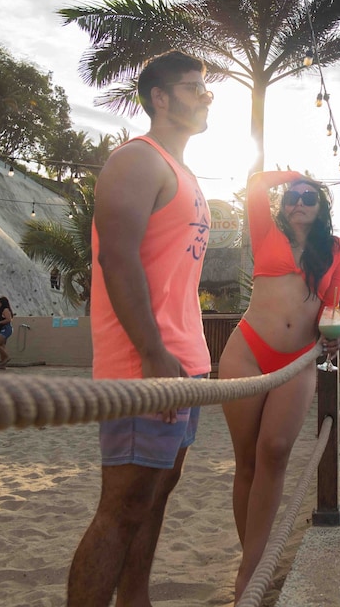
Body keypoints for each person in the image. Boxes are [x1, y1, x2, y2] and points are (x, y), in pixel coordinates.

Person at [68, 50, 213, 606]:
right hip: (144, 364)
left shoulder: (185, 172)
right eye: (193, 87)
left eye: (207, 89)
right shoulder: (137, 160)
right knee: (123, 506)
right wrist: (151, 350)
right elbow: (117, 260)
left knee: (155, 497)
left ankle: (136, 599)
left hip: (186, 363)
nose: (204, 96)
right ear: (159, 97)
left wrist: (182, 356)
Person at [218, 171, 340, 600]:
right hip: (248, 350)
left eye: (309, 196)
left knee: (273, 451)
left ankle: (250, 570)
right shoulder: (265, 232)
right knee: (247, 462)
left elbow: (333, 304)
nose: (300, 201)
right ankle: (250, 566)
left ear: (321, 206)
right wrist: (292, 174)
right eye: (294, 195)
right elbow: (254, 182)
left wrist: (335, 337)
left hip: (298, 360)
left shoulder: (334, 250)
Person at [0, 295, 14, 369]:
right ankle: (3, 364)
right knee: (1, 345)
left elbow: (8, 319)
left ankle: (7, 357)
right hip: (4, 329)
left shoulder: (5, 310)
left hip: (6, 329)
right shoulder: (2, 310)